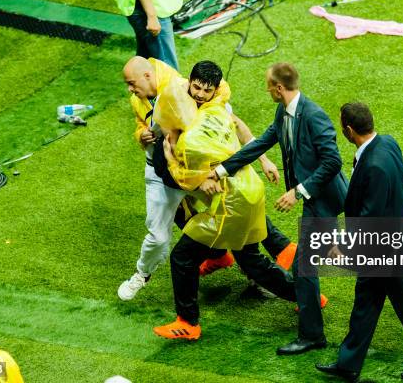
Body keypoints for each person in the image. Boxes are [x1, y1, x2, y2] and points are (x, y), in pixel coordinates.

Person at [118, 57, 297, 301]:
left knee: (237, 213)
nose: (201, 94)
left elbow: (235, 125)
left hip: (200, 173)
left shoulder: (194, 96)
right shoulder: (149, 97)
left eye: (207, 90)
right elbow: (163, 148)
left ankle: (276, 261)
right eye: (197, 88)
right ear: (190, 83)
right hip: (169, 175)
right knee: (163, 233)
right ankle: (146, 273)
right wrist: (141, 135)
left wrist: (263, 160)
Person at [212, 62, 349, 355]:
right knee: (318, 258)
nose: (266, 90)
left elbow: (333, 162)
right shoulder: (283, 112)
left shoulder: (314, 116)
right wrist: (223, 170)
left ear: (278, 88)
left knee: (303, 267)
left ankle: (313, 336)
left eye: (267, 85)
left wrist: (298, 192)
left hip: (321, 199)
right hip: (314, 199)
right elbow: (262, 143)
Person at [315, 102, 403, 382]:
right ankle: (348, 364)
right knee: (366, 302)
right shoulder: (388, 143)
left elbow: (370, 218)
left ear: (349, 130)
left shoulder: (373, 165)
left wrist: (343, 248)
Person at [114, 0, 182, 69]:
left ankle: (136, 80)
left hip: (151, 2)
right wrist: (152, 17)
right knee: (167, 68)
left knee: (145, 58)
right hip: (150, 7)